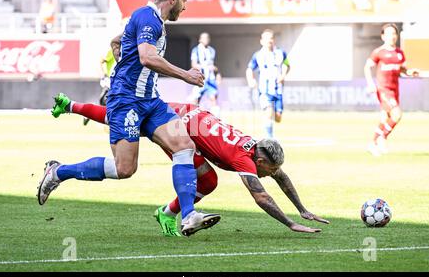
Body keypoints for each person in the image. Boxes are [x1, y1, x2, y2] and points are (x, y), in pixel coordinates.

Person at [37, 0, 220, 237]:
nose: (186, 7)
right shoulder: (148, 17)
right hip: (127, 101)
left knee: (184, 146)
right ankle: (58, 172)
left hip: (150, 101)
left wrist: (121, 53)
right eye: (185, 1)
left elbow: (116, 41)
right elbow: (146, 57)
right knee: (124, 169)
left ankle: (188, 215)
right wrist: (185, 75)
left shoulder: (152, 20)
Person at [51, 93, 329, 236]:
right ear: (260, 160)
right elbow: (262, 197)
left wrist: (303, 209)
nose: (271, 174)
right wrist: (290, 223)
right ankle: (177, 214)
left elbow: (281, 176)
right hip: (179, 125)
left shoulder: (255, 149)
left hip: (186, 114)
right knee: (127, 145)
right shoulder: (243, 158)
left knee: (125, 119)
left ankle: (70, 105)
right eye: (269, 169)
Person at [364, 23, 419, 156]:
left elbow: (400, 69)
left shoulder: (399, 53)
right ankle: (382, 138)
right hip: (384, 89)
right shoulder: (379, 52)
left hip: (394, 89)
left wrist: (409, 72)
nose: (392, 36)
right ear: (383, 36)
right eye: (388, 34)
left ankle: (372, 144)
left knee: (385, 118)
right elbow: (367, 67)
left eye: (394, 33)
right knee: (397, 114)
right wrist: (370, 84)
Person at [246, 29, 290, 139]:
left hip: (278, 90)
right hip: (265, 90)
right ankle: (270, 139)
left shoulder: (281, 52)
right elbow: (249, 69)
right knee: (269, 111)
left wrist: (283, 75)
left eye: (271, 38)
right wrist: (251, 80)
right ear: (261, 41)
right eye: (266, 38)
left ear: (273, 40)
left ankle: (269, 127)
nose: (269, 41)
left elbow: (286, 64)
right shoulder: (258, 55)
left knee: (278, 118)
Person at [189, 32, 222, 117]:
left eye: (207, 38)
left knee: (213, 98)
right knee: (196, 100)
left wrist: (218, 74)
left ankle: (216, 119)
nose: (206, 39)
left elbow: (214, 65)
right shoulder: (195, 50)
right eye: (204, 38)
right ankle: (194, 119)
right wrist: (206, 67)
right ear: (200, 40)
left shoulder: (212, 50)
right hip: (200, 78)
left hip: (210, 79)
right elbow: (194, 65)